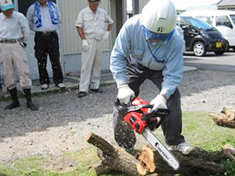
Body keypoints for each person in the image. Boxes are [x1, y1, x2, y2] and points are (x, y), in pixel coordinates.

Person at [110, 0, 194, 154]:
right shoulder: (131, 26)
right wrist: (122, 86)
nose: (156, 39)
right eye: (153, 34)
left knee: (173, 97)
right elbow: (117, 56)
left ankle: (174, 141)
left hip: (160, 69)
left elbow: (173, 74)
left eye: (161, 36)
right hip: (136, 63)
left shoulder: (175, 40)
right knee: (122, 101)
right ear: (144, 25)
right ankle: (125, 143)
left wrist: (163, 96)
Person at [0, 0, 38, 110]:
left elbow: (26, 30)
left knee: (23, 71)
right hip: (3, 45)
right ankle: (14, 101)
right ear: (2, 9)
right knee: (7, 73)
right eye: (6, 10)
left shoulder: (19, 16)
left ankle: (29, 100)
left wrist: (23, 43)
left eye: (10, 9)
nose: (9, 12)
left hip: (17, 44)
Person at [75, 0, 113, 98]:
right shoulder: (83, 12)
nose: (95, 4)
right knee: (86, 65)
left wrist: (107, 33)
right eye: (93, 2)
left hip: (99, 40)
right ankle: (83, 88)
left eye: (97, 2)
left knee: (97, 63)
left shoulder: (102, 12)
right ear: (89, 1)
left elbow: (110, 22)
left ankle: (95, 86)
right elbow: (79, 26)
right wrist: (83, 39)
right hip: (89, 40)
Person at [26, 0, 65, 90]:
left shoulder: (53, 6)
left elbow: (59, 19)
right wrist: (38, 29)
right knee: (41, 60)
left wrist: (51, 28)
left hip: (52, 35)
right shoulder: (32, 8)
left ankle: (58, 81)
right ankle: (44, 81)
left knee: (55, 58)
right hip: (40, 37)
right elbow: (29, 22)